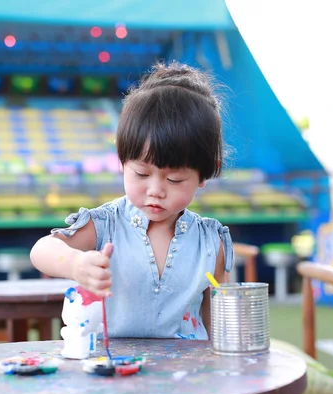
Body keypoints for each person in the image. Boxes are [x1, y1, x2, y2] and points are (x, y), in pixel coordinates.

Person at [31, 61, 234, 340]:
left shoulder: (211, 242)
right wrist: (75, 264)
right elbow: (42, 250)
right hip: (113, 375)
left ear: (205, 172)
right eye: (141, 173)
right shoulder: (105, 224)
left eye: (174, 180)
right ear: (122, 161)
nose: (155, 190)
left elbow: (218, 319)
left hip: (189, 378)